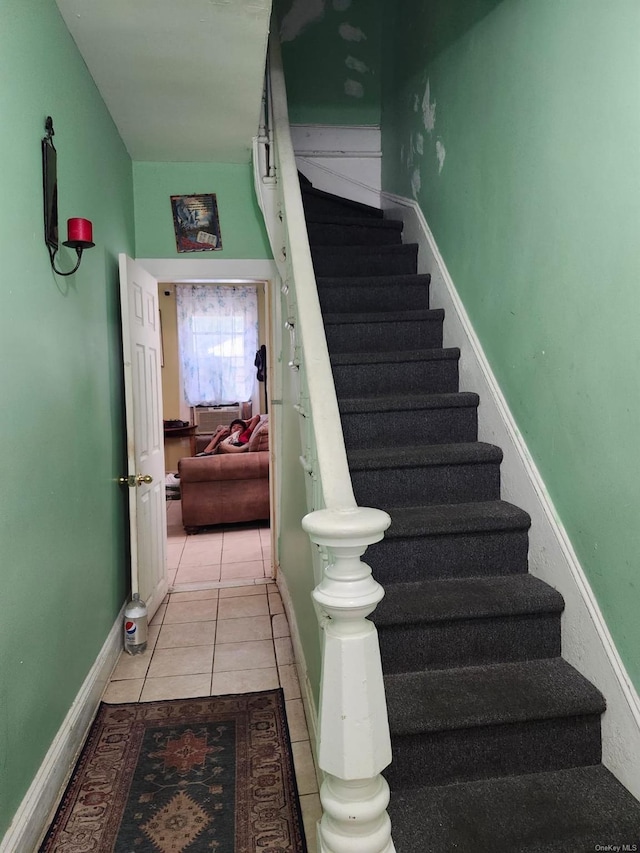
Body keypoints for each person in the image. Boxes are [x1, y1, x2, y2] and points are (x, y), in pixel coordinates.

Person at [196, 414, 261, 456]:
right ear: (230, 431)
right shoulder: (228, 439)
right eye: (234, 427)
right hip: (226, 448)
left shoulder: (245, 434)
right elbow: (207, 450)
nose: (236, 429)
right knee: (217, 447)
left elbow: (256, 417)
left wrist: (245, 422)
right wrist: (219, 434)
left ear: (244, 430)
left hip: (240, 446)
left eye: (239, 427)